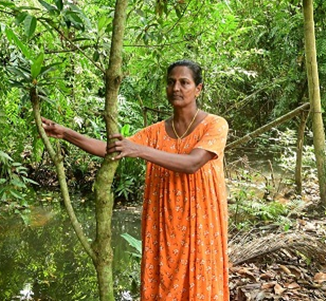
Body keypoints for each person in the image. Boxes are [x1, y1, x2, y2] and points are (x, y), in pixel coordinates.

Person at [42, 60, 229, 300]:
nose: (176, 88)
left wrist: (139, 150)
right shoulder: (155, 132)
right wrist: (65, 133)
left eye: (184, 82)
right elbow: (111, 148)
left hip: (200, 221)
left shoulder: (214, 125)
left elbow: (192, 163)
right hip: (164, 221)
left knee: (200, 278)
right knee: (164, 279)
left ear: (198, 89)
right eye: (171, 82)